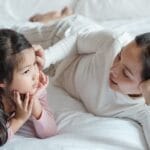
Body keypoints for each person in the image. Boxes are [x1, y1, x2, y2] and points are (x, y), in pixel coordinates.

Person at [35, 30, 150, 148]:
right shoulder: (114, 42)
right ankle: (63, 15)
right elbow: (77, 40)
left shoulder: (141, 108)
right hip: (57, 42)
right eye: (119, 56)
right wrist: (46, 57)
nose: (113, 69)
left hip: (56, 77)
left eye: (125, 73)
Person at [0, 29, 57, 146]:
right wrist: (18, 119)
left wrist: (35, 106)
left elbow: (50, 132)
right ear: (2, 81)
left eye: (34, 64)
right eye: (26, 71)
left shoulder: (35, 88)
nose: (35, 74)